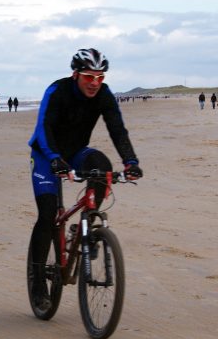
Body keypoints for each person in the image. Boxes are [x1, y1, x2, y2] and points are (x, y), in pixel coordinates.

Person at [27, 48, 142, 309]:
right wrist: (55, 158)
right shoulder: (58, 90)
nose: (94, 83)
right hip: (46, 155)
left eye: (100, 77)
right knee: (47, 215)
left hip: (77, 152)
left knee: (102, 166)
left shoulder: (104, 94)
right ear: (76, 74)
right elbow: (43, 128)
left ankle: (87, 222)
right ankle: (37, 284)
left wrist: (131, 161)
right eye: (89, 76)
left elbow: (117, 128)